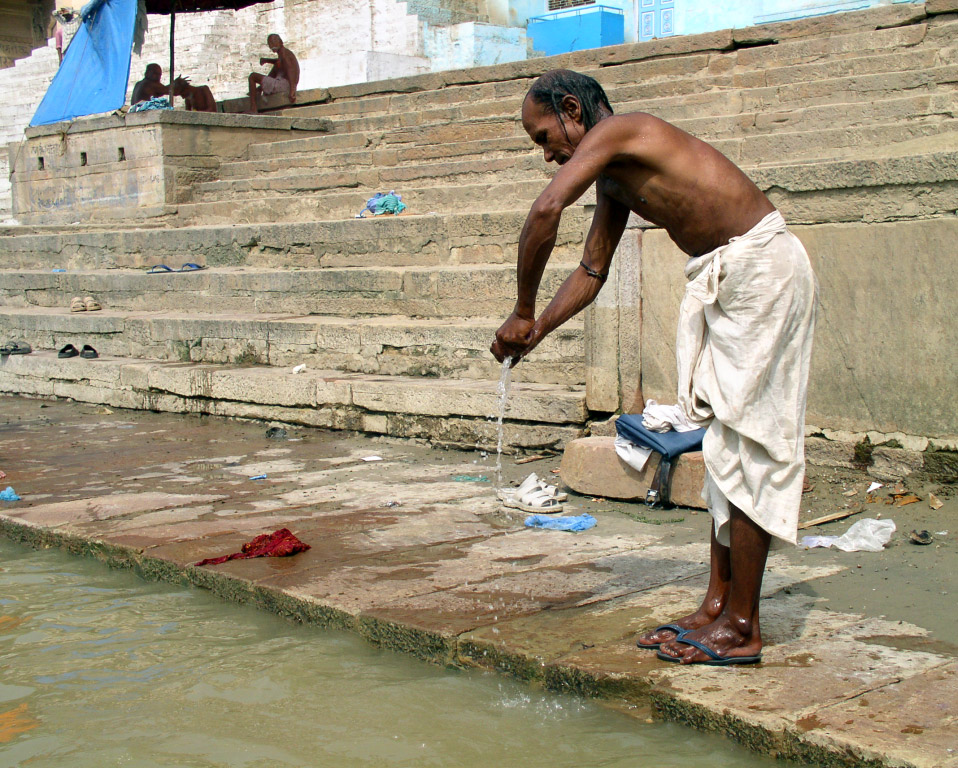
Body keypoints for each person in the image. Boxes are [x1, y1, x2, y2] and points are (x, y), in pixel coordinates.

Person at [491, 69, 817, 666]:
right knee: (722, 447)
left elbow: (546, 209)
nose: (546, 156)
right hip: (731, 280)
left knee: (751, 444)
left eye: (544, 137)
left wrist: (521, 307)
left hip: (763, 270)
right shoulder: (616, 179)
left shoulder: (620, 131)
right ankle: (718, 606)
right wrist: (533, 334)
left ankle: (744, 625)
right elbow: (592, 272)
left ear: (571, 109)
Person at [248, 34, 299, 113]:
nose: (271, 45)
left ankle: (253, 108)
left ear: (280, 41)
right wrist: (267, 60)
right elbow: (279, 62)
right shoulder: (283, 53)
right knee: (277, 67)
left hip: (284, 85)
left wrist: (292, 90)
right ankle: (259, 89)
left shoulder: (285, 54)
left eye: (273, 42)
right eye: (270, 44)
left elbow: (290, 70)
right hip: (285, 84)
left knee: (252, 76)